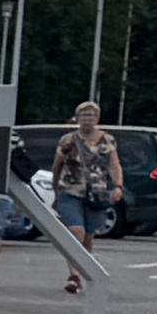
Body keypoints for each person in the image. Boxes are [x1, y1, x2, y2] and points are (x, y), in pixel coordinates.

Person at [47, 101, 122, 291]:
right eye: (84, 116)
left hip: (97, 193)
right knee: (76, 232)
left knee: (88, 235)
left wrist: (118, 186)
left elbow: (114, 164)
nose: (88, 119)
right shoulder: (68, 140)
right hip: (71, 190)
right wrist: (55, 187)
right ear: (77, 118)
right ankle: (74, 275)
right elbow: (57, 165)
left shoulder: (108, 140)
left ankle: (82, 269)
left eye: (91, 115)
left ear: (97, 119)